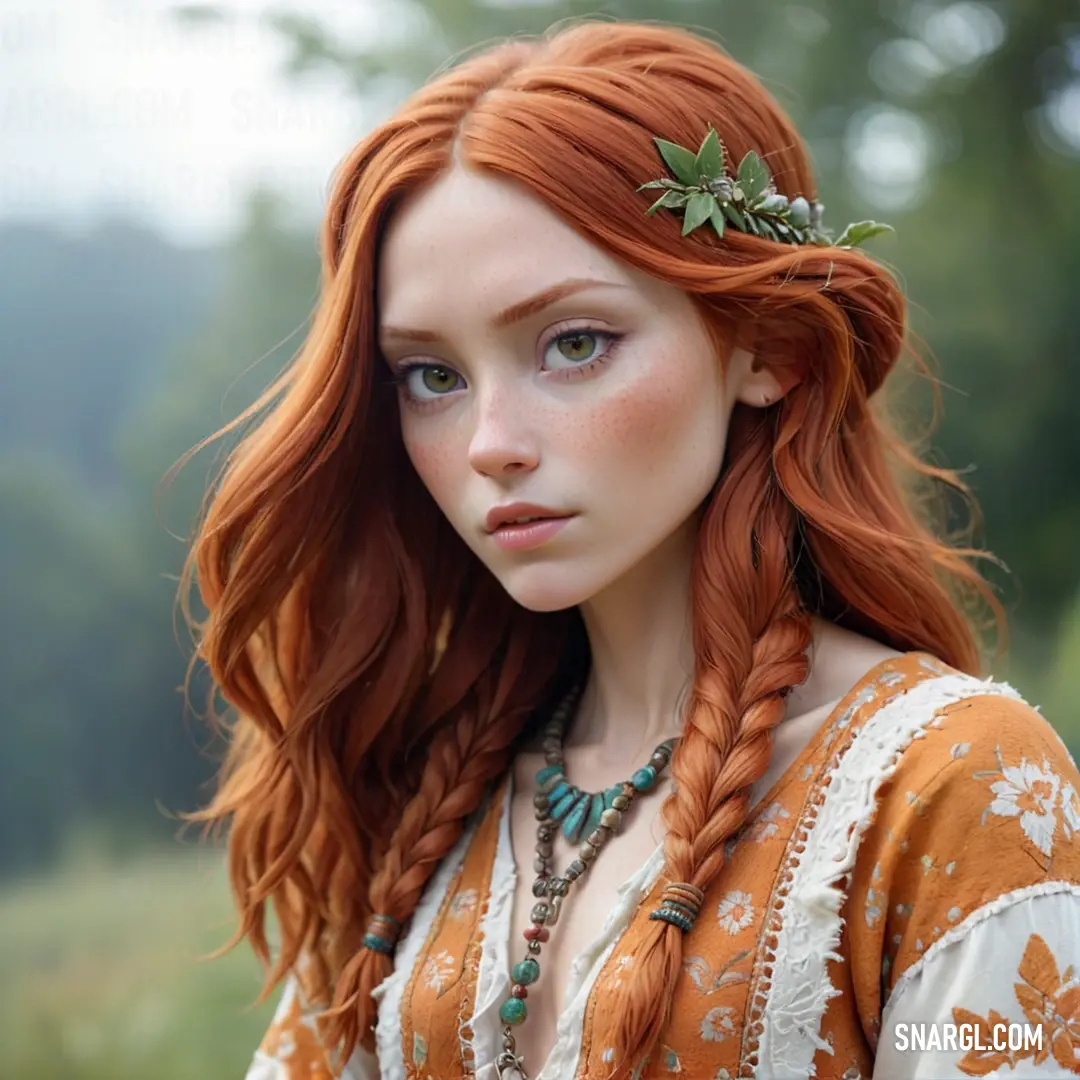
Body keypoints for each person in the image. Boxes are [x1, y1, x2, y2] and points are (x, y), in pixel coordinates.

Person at [180, 18, 1080, 1080]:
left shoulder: (948, 787)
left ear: (767, 347)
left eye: (573, 344)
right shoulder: (421, 799)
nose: (490, 446)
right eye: (432, 375)